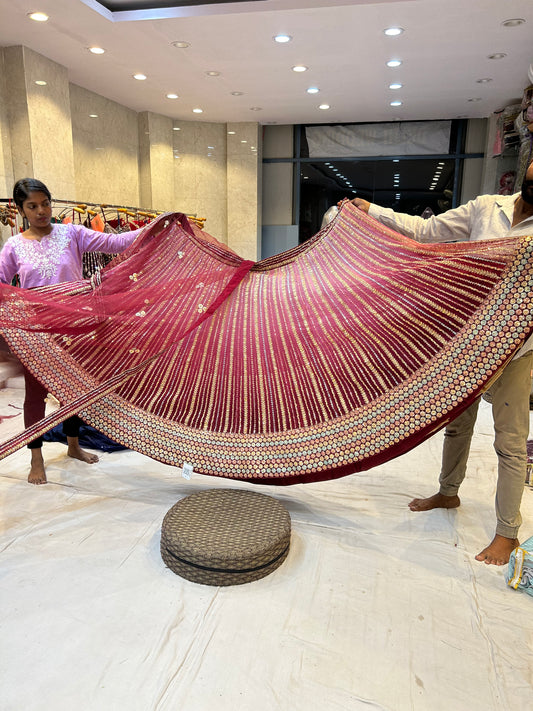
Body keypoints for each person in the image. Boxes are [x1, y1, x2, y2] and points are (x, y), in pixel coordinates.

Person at [348, 158, 533, 565]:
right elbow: (427, 231)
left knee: (510, 443)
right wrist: (372, 211)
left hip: (517, 352)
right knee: (457, 426)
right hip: (468, 343)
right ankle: (448, 493)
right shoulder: (488, 208)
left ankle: (507, 533)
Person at [0, 178, 152, 485]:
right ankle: (36, 458)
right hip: (37, 332)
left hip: (72, 330)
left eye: (45, 203)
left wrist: (155, 227)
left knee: (73, 393)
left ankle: (73, 446)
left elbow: (117, 243)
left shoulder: (72, 234)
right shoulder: (14, 246)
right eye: (32, 206)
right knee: (35, 396)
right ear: (20, 210)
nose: (41, 211)